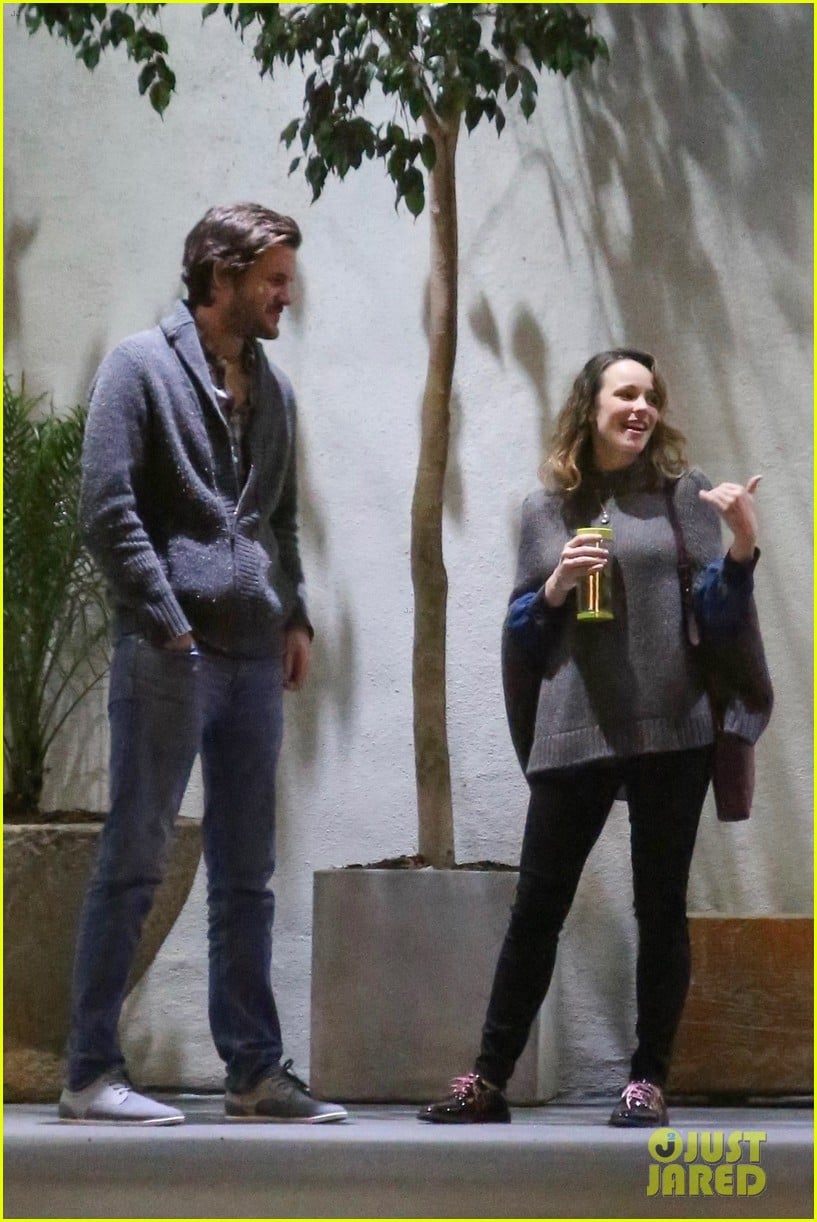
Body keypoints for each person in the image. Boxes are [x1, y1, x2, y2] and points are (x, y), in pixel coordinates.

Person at [418, 348, 770, 1128]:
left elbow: (715, 616)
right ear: (591, 406)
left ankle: (646, 1081)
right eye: (625, 393)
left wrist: (740, 548)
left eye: (650, 395)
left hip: (672, 729)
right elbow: (523, 636)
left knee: (659, 908)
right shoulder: (546, 509)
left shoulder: (683, 497)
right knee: (536, 909)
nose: (641, 407)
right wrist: (552, 587)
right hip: (573, 726)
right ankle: (488, 1079)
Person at [58, 203, 347, 1126]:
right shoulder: (139, 366)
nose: (286, 295)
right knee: (136, 859)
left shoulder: (276, 392)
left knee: (246, 874)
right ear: (222, 275)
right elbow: (107, 507)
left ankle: (253, 1074)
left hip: (254, 658)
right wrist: (167, 619)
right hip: (168, 653)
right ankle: (89, 1073)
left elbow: (280, 520)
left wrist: (293, 614)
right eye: (274, 279)